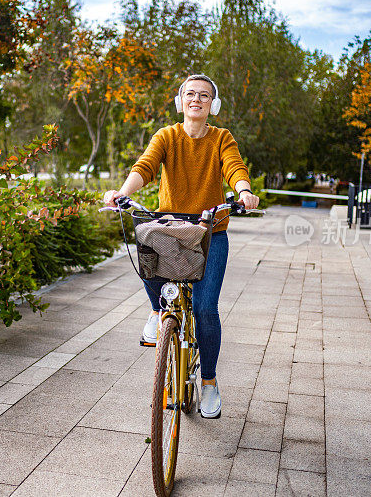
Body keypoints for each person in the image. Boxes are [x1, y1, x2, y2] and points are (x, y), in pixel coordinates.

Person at [103, 74, 259, 419]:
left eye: (204, 96)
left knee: (205, 309)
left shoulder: (221, 138)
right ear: (181, 100)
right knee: (144, 239)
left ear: (212, 105)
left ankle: (208, 383)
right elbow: (145, 166)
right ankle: (158, 311)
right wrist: (123, 193)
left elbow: (234, 167)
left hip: (209, 233)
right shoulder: (167, 136)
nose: (197, 100)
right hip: (170, 230)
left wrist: (244, 190)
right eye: (190, 94)